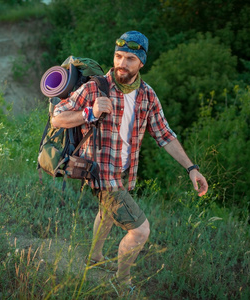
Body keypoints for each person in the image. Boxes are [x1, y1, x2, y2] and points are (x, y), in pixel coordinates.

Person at [51, 30, 208, 296]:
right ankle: (122, 282)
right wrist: (90, 112)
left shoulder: (147, 95)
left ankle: (94, 257)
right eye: (118, 56)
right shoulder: (95, 87)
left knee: (107, 214)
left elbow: (165, 135)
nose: (122, 63)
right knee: (140, 230)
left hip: (125, 171)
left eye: (130, 59)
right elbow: (57, 117)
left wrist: (192, 168)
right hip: (100, 171)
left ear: (142, 63)